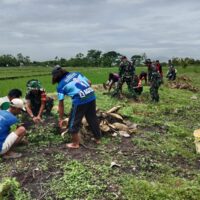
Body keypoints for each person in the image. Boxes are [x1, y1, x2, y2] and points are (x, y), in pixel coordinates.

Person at [52, 65, 101, 149]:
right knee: (92, 118)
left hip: (80, 101)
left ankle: (75, 143)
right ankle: (98, 139)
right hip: (91, 96)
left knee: (73, 122)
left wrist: (60, 118)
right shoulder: (76, 73)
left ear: (55, 76)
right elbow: (89, 82)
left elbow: (61, 104)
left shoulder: (60, 86)